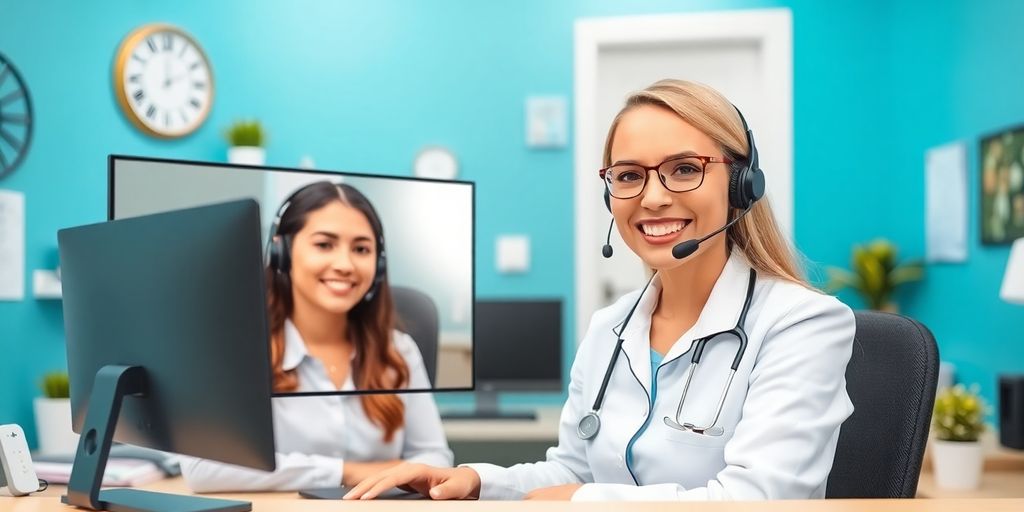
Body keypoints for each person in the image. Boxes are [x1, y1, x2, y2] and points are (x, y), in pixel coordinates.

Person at [344, 79, 855, 501]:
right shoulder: (610, 328)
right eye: (629, 176)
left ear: (742, 184)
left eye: (683, 169)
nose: (652, 198)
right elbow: (573, 470)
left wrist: (580, 501)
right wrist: (477, 481)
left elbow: (762, 498)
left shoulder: (802, 323)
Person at [181, 181, 453, 492]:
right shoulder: (237, 348)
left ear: (378, 265)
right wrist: (348, 472)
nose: (345, 265)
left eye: (361, 249)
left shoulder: (398, 350)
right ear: (282, 252)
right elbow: (203, 467)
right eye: (324, 245)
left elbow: (436, 460)